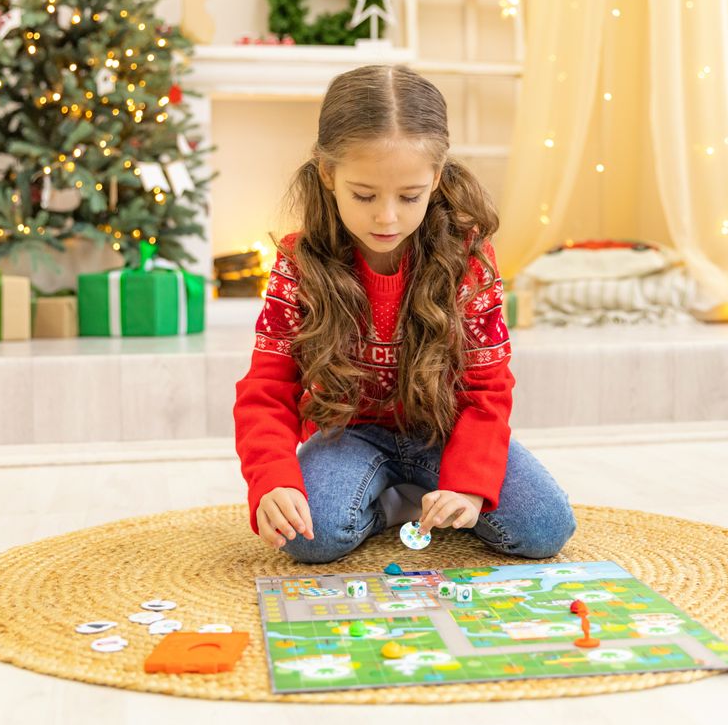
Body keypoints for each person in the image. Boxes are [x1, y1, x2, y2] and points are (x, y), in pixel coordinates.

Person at [233, 64, 576, 563]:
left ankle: (428, 493)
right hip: (349, 432)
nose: (387, 217)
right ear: (328, 173)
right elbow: (268, 388)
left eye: (409, 196)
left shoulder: (468, 258)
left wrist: (468, 485)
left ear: (435, 178)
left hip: (447, 431)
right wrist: (271, 480)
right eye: (364, 195)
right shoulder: (298, 264)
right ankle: (395, 504)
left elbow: (487, 390)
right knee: (311, 537)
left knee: (545, 528)